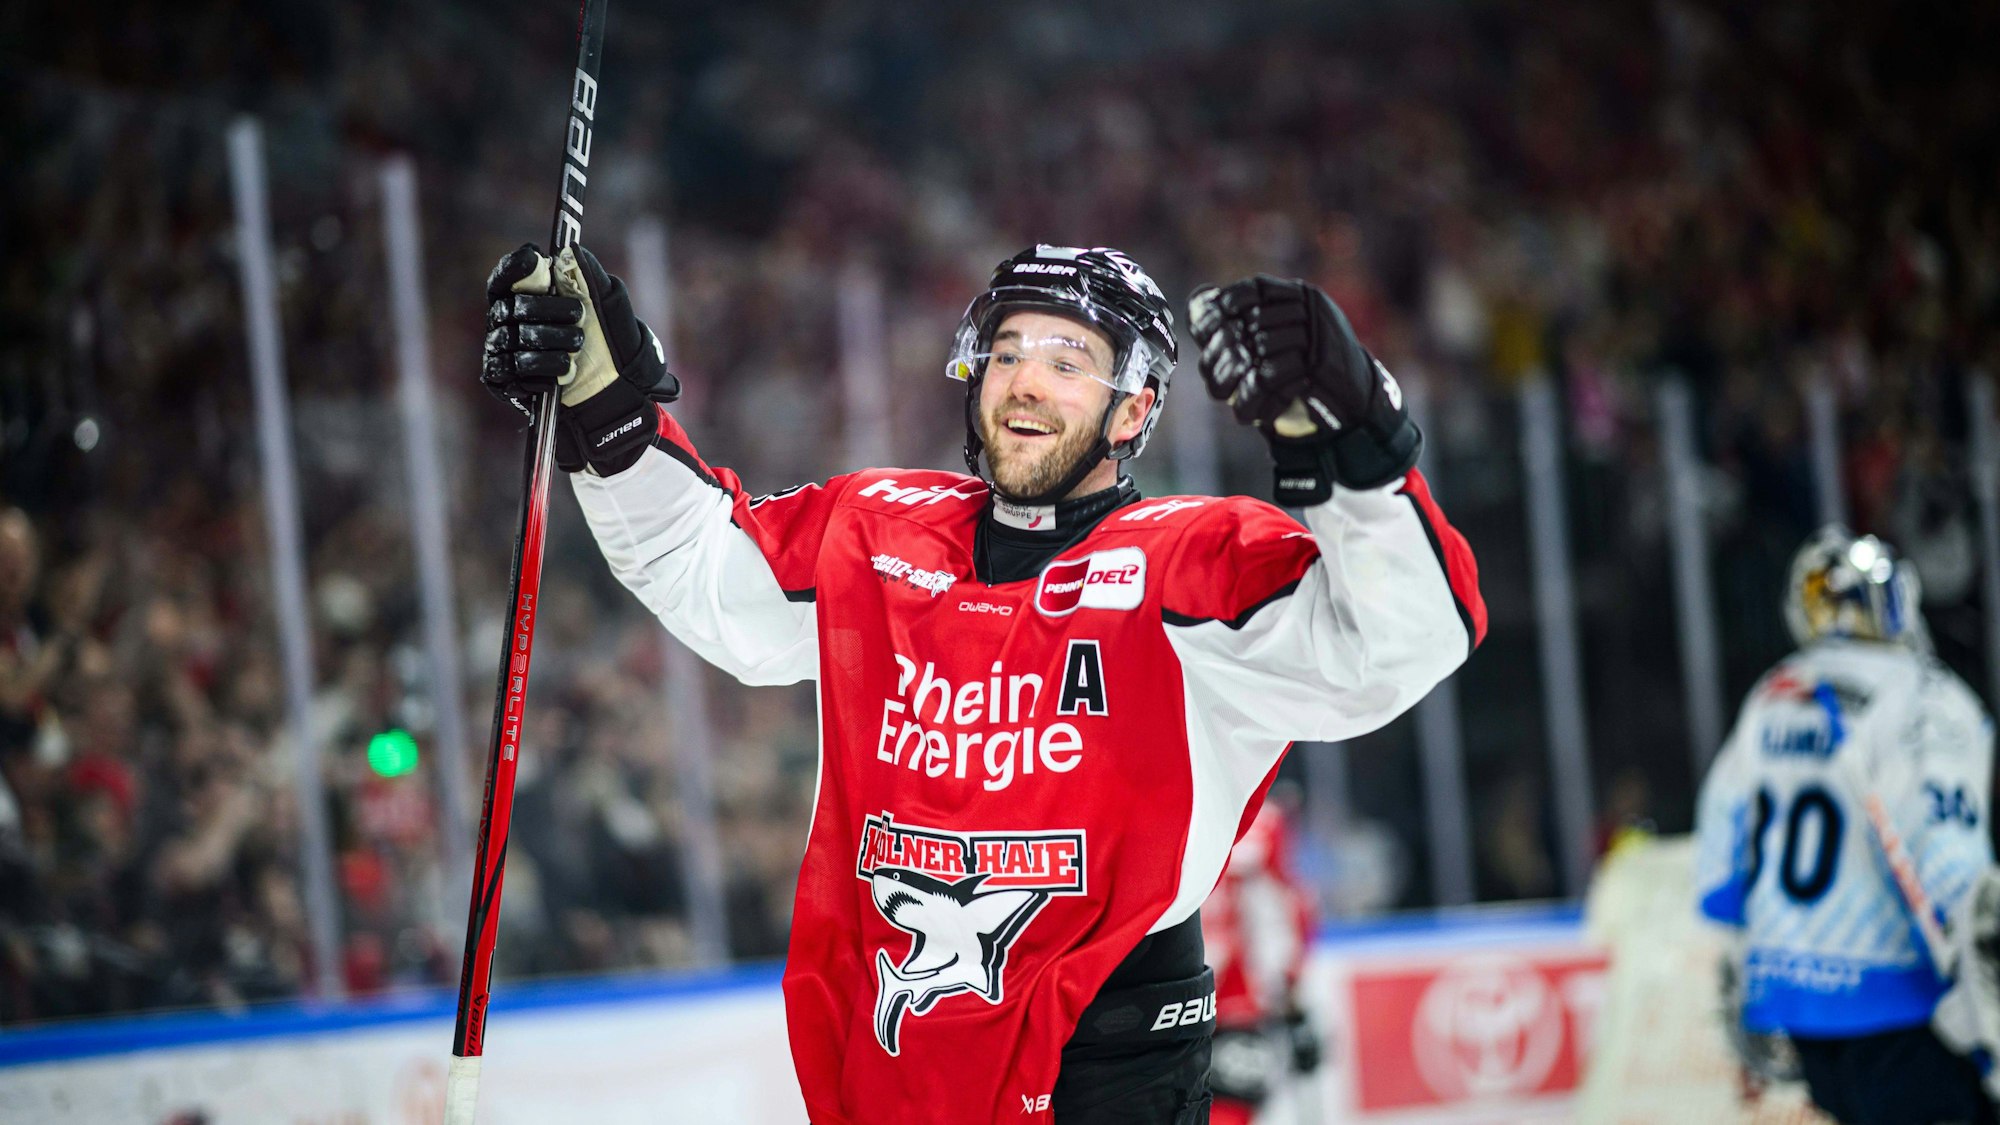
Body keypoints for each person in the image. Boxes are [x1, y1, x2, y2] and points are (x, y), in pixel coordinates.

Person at [479, 242, 1485, 1124]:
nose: (1024, 381)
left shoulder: (1188, 559)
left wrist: (1360, 443)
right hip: (897, 1035)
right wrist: (603, 418)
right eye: (1006, 352)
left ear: (1132, 411)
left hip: (1107, 1048)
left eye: (1067, 361)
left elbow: (1398, 644)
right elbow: (701, 569)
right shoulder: (877, 531)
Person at [1694, 526, 1997, 1124]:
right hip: (1906, 1010)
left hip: (1797, 1009)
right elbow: (1952, 868)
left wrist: (1753, 971)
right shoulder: (1929, 697)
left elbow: (1718, 870)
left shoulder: (1774, 692)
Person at [1200, 795, 1322, 1125]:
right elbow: (1286, 914)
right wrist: (1294, 1005)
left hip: (1215, 998)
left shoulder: (1177, 800)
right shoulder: (1264, 820)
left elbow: (1280, 912)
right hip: (1231, 998)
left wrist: (1294, 1007)